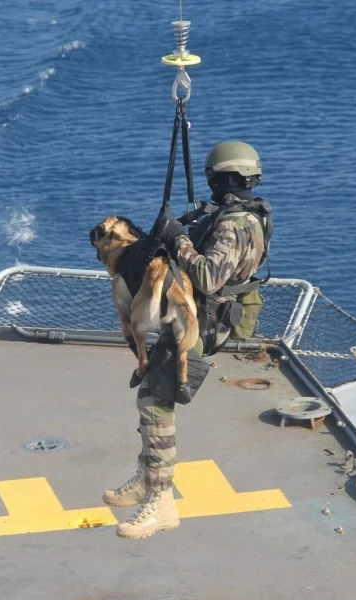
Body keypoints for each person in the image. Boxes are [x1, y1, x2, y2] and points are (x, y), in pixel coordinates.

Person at [104, 140, 272, 539]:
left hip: (210, 320)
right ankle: (148, 476)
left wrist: (177, 237)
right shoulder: (244, 215)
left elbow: (208, 277)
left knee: (156, 401)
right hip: (205, 311)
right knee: (148, 391)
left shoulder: (234, 225)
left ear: (225, 178)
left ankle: (161, 501)